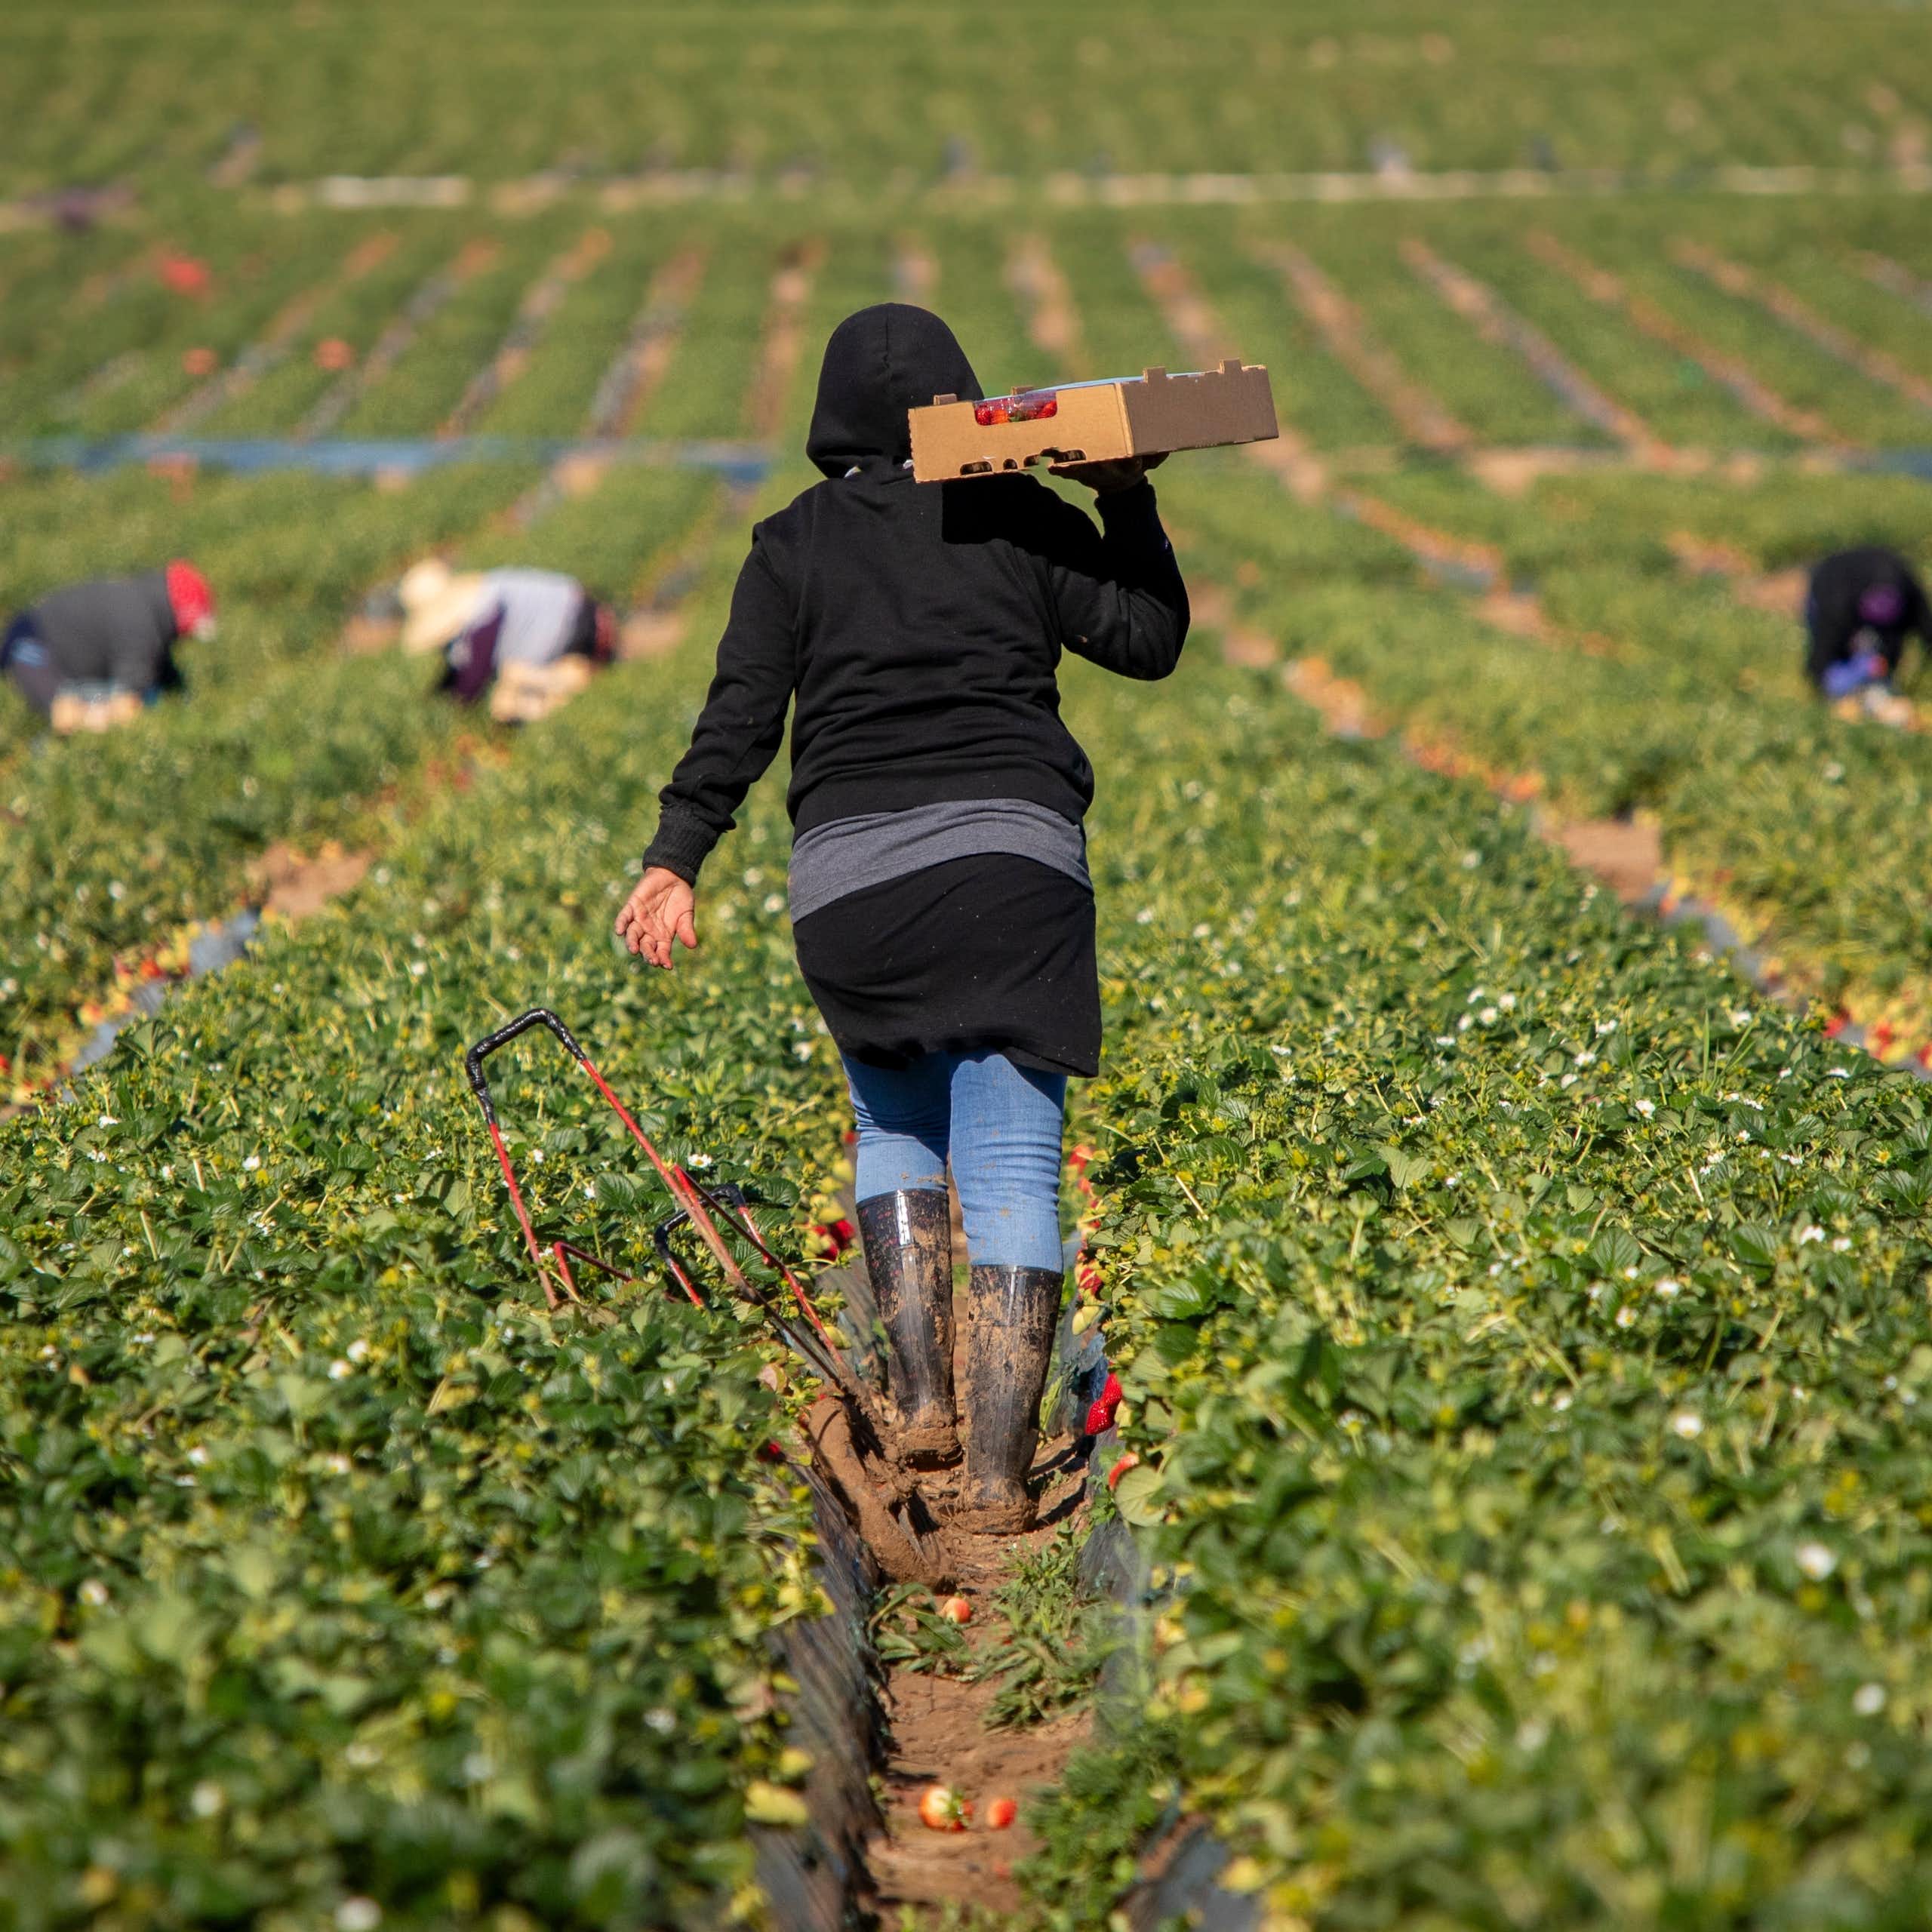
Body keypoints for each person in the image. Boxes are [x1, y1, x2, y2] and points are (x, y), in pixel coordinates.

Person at [615, 304, 1189, 1533]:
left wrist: (677, 859)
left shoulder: (790, 544)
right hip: (1012, 870)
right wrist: (1125, 498)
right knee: (1017, 1166)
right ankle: (995, 1476)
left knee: (893, 1123)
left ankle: (921, 1395)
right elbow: (1146, 640)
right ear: (962, 402)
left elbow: (739, 721)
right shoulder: (1015, 513)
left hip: (852, 890)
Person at [2, 561, 215, 733]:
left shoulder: (141, 609)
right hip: (28, 647)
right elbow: (126, 706)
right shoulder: (140, 624)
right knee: (68, 715)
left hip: (37, 645)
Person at [398, 558, 616, 724]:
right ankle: (566, 692)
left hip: (581, 626)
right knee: (510, 687)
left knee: (509, 696)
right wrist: (436, 696)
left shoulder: (484, 617)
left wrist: (449, 709)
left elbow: (473, 679)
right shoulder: (484, 603)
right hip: (579, 615)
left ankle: (570, 693)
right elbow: (459, 672)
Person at [1804, 546, 1929, 706]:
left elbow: (1926, 628)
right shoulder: (1835, 601)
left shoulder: (1906, 592)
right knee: (1833, 678)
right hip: (1830, 592)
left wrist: (1885, 662)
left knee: (1876, 670)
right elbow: (1821, 656)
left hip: (1877, 605)